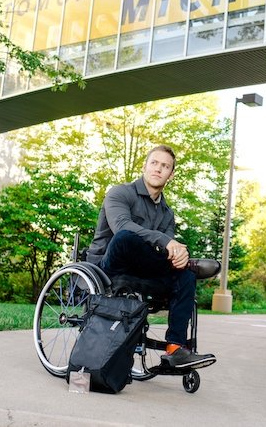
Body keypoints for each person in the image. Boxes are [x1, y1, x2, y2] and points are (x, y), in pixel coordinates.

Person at [86, 145, 218, 370]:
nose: (159, 169)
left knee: (185, 274)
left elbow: (165, 250)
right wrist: (167, 242)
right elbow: (120, 227)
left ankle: (175, 349)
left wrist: (178, 255)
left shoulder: (167, 213)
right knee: (126, 236)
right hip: (109, 267)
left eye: (165, 166)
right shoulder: (119, 193)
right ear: (145, 166)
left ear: (171, 175)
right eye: (154, 163)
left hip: (142, 270)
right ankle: (186, 264)